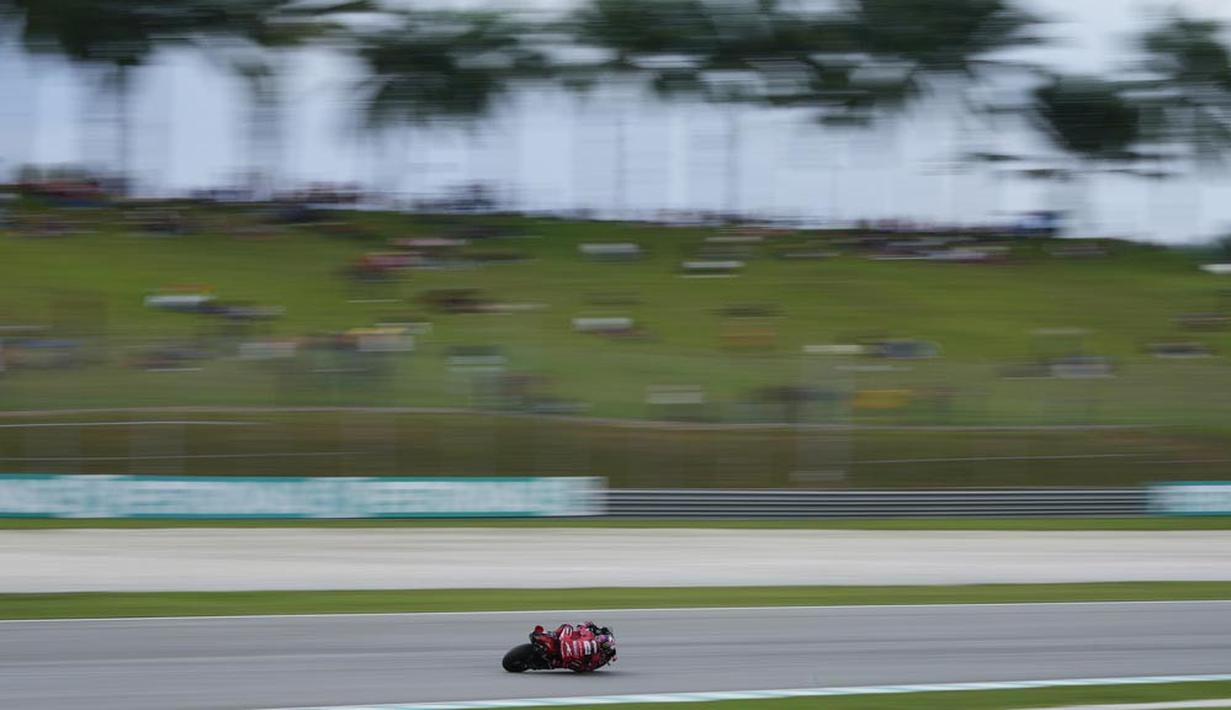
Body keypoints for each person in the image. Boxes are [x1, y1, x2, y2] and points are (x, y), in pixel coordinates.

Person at [530, 622, 617, 672]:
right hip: (570, 641)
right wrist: (588, 626)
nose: (599, 640)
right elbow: (582, 625)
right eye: (599, 639)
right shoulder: (593, 634)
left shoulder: (600, 659)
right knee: (567, 626)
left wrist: (575, 664)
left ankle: (546, 663)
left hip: (570, 657)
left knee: (557, 663)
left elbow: (587, 668)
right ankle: (551, 634)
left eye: (602, 643)